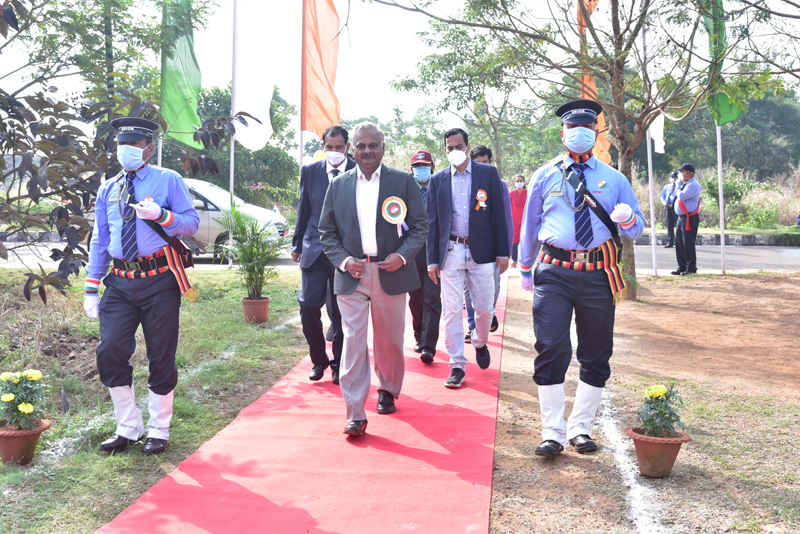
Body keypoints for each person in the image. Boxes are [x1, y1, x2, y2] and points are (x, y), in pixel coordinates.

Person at [518, 99, 644, 458]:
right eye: (573, 128)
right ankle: (553, 432)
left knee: (596, 351)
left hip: (598, 273)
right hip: (554, 272)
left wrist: (627, 219)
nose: (579, 133)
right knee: (551, 346)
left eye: (587, 127)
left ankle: (580, 427)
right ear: (562, 134)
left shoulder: (615, 179)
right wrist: (525, 267)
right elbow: (530, 225)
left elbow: (637, 228)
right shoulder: (544, 175)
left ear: (597, 134)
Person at [83, 117, 200, 455]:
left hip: (160, 280)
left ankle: (158, 429)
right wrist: (91, 286)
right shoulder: (108, 188)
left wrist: (162, 216)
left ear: (148, 149)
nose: (126, 152)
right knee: (110, 350)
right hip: (120, 282)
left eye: (133, 146)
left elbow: (191, 223)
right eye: (122, 146)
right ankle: (128, 426)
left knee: (160, 353)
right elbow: (100, 240)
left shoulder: (168, 179)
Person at [319, 122, 429, 437]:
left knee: (389, 339)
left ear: (383, 148)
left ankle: (388, 389)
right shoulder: (338, 185)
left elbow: (420, 225)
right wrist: (344, 261)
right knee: (353, 342)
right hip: (351, 274)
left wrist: (402, 256)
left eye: (373, 145)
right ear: (352, 149)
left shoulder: (403, 181)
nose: (367, 151)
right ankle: (355, 412)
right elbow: (326, 231)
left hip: (390, 272)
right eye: (360, 146)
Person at [426, 129, 509, 389]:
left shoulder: (488, 174)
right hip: (451, 251)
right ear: (445, 150)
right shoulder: (437, 180)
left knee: (484, 309)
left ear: (467, 146)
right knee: (451, 310)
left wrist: (503, 251)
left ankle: (480, 342)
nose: (455, 151)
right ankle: (457, 365)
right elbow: (432, 223)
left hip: (482, 251)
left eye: (459, 146)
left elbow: (499, 214)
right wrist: (432, 260)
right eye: (450, 147)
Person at [292, 125, 356, 384]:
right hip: (314, 249)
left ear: (347, 147)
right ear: (323, 146)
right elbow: (304, 209)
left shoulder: (358, 171)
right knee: (308, 305)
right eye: (329, 147)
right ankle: (319, 360)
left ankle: (339, 363)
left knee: (341, 312)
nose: (334, 151)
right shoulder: (310, 171)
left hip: (345, 253)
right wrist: (297, 244)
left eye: (339, 147)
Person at [463, 145, 512, 339]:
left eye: (485, 162)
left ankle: (488, 314)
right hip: (470, 246)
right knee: (469, 289)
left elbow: (506, 218)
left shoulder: (500, 184)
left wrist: (506, 249)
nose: (482, 166)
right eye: (478, 163)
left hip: (493, 246)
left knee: (495, 286)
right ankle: (473, 325)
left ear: (491, 162)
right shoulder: (464, 183)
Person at [407, 150, 442, 363]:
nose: (421, 169)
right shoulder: (404, 189)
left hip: (433, 254)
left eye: (425, 165)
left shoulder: (440, 188)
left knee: (432, 297)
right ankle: (419, 333)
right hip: (411, 253)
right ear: (411, 169)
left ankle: (429, 345)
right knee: (416, 299)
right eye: (417, 166)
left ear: (432, 167)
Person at [671, 163, 702, 275]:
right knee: (679, 242)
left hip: (689, 217)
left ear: (688, 173)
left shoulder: (693, 184)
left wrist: (678, 186)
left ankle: (691, 267)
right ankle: (682, 266)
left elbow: (682, 196)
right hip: (681, 218)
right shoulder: (686, 184)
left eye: (682, 172)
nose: (681, 174)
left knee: (688, 242)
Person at [509, 174, 528, 267]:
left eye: (521, 181)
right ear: (514, 183)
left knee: (526, 240)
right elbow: (508, 207)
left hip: (526, 220)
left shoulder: (528, 193)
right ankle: (514, 260)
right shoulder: (511, 194)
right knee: (514, 241)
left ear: (524, 182)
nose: (519, 182)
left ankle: (525, 260)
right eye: (517, 181)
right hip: (514, 221)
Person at [660, 171, 679, 248]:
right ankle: (670, 241)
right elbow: (662, 196)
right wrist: (664, 202)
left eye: (674, 177)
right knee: (669, 225)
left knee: (678, 225)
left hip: (676, 208)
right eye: (671, 177)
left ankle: (678, 242)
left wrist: (673, 204)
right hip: (668, 207)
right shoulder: (667, 187)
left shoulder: (679, 187)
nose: (672, 179)